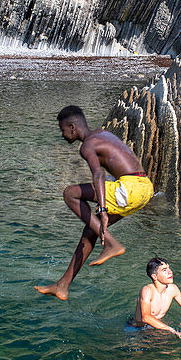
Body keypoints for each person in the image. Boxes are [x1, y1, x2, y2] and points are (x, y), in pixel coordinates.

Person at [35, 106, 154, 300]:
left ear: (72, 127)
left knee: (70, 193)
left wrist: (102, 208)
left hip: (130, 188)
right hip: (144, 189)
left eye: (62, 130)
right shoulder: (103, 134)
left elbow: (98, 174)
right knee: (91, 229)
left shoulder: (87, 146)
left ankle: (112, 244)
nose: (62, 135)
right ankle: (62, 286)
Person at [130, 257, 181, 338]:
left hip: (158, 327)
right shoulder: (147, 291)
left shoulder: (173, 289)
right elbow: (146, 317)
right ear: (154, 276)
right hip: (137, 329)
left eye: (169, 268)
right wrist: (171, 330)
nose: (170, 272)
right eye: (164, 270)